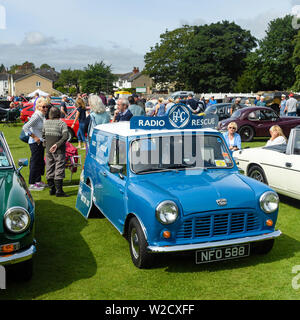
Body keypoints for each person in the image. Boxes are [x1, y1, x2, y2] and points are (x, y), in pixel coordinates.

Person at [42, 107, 69, 197]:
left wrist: (47, 145)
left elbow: (43, 136)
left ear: (50, 114)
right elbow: (66, 136)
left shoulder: (45, 123)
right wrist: (57, 145)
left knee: (49, 168)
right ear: (59, 114)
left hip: (48, 150)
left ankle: (52, 189)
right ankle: (59, 191)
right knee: (59, 169)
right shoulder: (62, 123)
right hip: (59, 150)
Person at [23, 97, 47, 191]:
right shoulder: (36, 116)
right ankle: (32, 183)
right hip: (35, 142)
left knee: (40, 162)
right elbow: (25, 127)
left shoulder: (41, 115)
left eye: (46, 107)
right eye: (43, 107)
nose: (46, 109)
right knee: (34, 162)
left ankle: (38, 181)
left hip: (40, 142)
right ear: (38, 107)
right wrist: (35, 137)